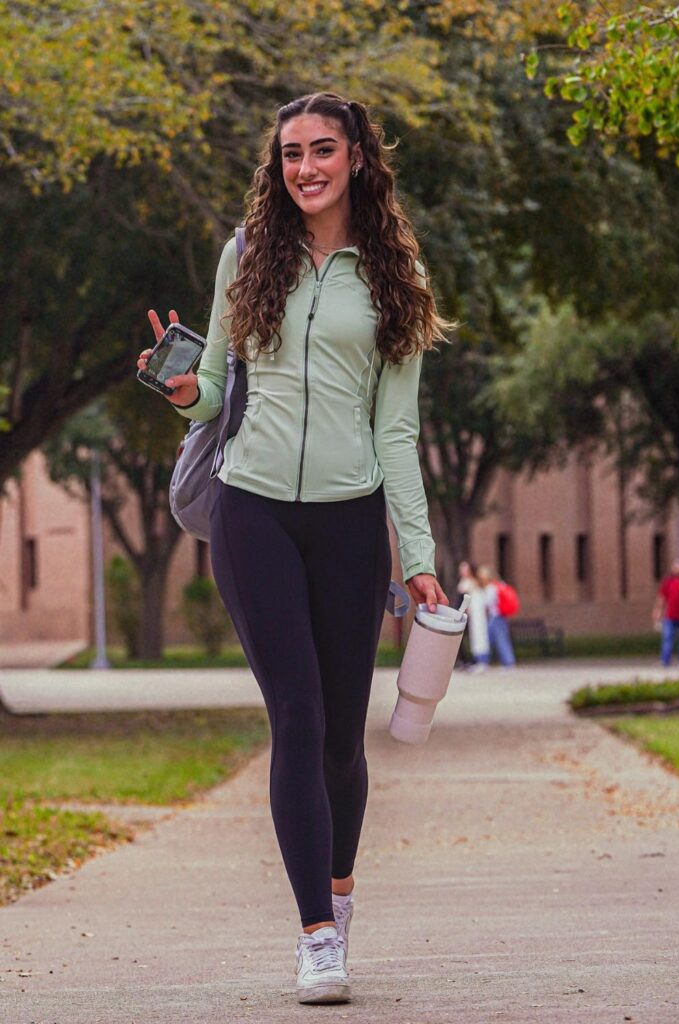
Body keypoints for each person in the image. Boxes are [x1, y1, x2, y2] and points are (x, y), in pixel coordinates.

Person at [137, 92, 449, 1005]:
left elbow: (397, 431)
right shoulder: (247, 257)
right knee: (299, 720)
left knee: (343, 742)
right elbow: (219, 393)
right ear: (276, 166)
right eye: (289, 154)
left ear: (357, 157)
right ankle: (316, 935)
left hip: (351, 523)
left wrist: (418, 551)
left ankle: (338, 896)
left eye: (321, 150)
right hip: (253, 511)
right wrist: (187, 390)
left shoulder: (397, 279)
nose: (304, 167)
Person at [477, 565, 516, 668]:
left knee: (498, 639)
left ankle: (507, 662)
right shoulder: (499, 585)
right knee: (497, 638)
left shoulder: (491, 587)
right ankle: (485, 660)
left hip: (496, 616)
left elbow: (487, 602)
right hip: (500, 617)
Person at [652, 557, 679, 666]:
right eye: (676, 566)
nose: (677, 568)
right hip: (670, 616)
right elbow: (661, 597)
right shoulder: (668, 582)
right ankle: (665, 660)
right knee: (667, 638)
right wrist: (657, 611)